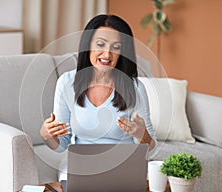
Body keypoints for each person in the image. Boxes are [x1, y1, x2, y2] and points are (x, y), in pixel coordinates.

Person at [40, 14, 156, 173]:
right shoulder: (66, 83)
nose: (107, 54)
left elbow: (151, 148)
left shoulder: (135, 87)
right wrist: (47, 136)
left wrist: (142, 136)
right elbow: (61, 145)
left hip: (123, 168)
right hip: (81, 168)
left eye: (116, 47)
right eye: (100, 44)